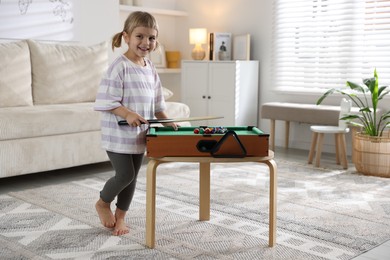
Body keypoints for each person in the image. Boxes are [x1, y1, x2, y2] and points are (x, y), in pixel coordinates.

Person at [94, 11, 177, 236]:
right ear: (126, 37)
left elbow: (158, 103)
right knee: (125, 175)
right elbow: (107, 101)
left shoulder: (150, 68)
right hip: (118, 135)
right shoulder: (118, 67)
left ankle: (121, 217)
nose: (145, 42)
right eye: (140, 36)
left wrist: (167, 122)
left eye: (151, 38)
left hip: (140, 135)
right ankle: (103, 202)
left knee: (132, 178)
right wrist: (128, 113)